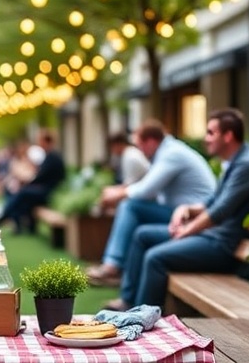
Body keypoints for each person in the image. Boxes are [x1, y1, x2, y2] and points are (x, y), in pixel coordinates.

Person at [105, 108, 249, 311]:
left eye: (211, 133)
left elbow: (219, 212)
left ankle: (140, 320)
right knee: (143, 235)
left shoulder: (247, 165)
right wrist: (185, 209)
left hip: (223, 246)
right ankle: (129, 302)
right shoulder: (236, 161)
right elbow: (211, 202)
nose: (206, 139)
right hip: (211, 237)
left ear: (228, 136)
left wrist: (187, 230)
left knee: (155, 258)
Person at [85, 120, 216, 286]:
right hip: (179, 213)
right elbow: (148, 189)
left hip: (191, 216)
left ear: (151, 142)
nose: (139, 151)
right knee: (134, 218)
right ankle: (123, 283)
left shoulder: (172, 154)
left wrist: (118, 194)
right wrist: (119, 192)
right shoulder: (166, 152)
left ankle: (113, 265)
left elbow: (146, 190)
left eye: (140, 145)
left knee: (129, 206)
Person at [0, 130, 66, 234]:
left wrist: (27, 184)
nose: (39, 144)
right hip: (44, 189)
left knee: (22, 194)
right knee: (20, 197)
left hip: (48, 191)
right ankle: (17, 224)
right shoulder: (50, 156)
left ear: (46, 142)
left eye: (40, 141)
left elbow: (41, 176)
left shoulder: (52, 157)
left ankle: (3, 218)